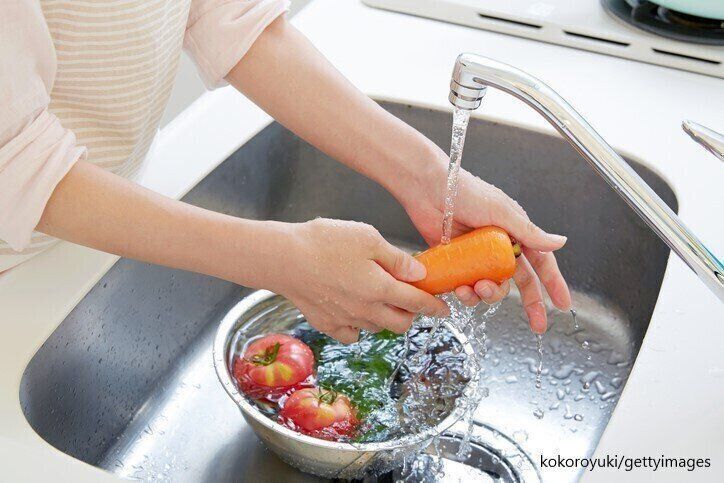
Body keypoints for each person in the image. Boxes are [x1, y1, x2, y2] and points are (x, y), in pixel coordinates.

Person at [0, 0, 571, 343]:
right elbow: (14, 161)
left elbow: (226, 15)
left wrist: (430, 178)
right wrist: (283, 259)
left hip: (96, 224)